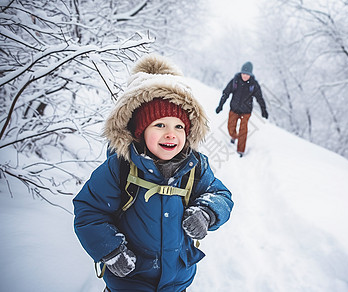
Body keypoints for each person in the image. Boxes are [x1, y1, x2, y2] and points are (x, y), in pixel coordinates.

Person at [73, 54, 233, 292]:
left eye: (179, 127)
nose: (171, 134)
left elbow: (221, 195)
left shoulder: (195, 166)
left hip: (177, 279)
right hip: (130, 280)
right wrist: (110, 250)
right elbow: (89, 212)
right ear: (140, 131)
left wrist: (208, 212)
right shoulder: (120, 167)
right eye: (160, 125)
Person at [215, 61, 268, 157]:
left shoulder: (253, 84)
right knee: (230, 128)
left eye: (247, 74)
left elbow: (259, 98)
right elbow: (226, 93)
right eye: (243, 73)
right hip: (234, 109)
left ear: (250, 75)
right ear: (241, 73)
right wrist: (220, 105)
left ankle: (240, 150)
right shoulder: (235, 81)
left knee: (243, 130)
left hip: (246, 112)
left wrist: (263, 110)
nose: (245, 76)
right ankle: (234, 136)